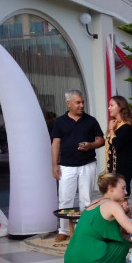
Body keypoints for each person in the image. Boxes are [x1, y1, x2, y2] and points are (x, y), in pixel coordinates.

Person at [51, 89, 105, 242]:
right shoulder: (60, 122)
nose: (82, 105)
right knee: (65, 199)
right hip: (66, 165)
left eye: (83, 102)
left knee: (86, 199)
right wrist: (54, 164)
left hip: (87, 164)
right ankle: (63, 230)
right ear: (68, 103)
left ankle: (83, 229)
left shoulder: (91, 120)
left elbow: (101, 140)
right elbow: (55, 143)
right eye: (78, 103)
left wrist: (90, 145)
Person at [105, 95, 132, 197]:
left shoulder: (127, 127)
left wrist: (111, 130)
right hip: (113, 169)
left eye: (112, 105)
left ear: (120, 107)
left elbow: (117, 144)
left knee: (121, 198)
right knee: (113, 198)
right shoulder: (116, 125)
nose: (109, 108)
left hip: (122, 169)